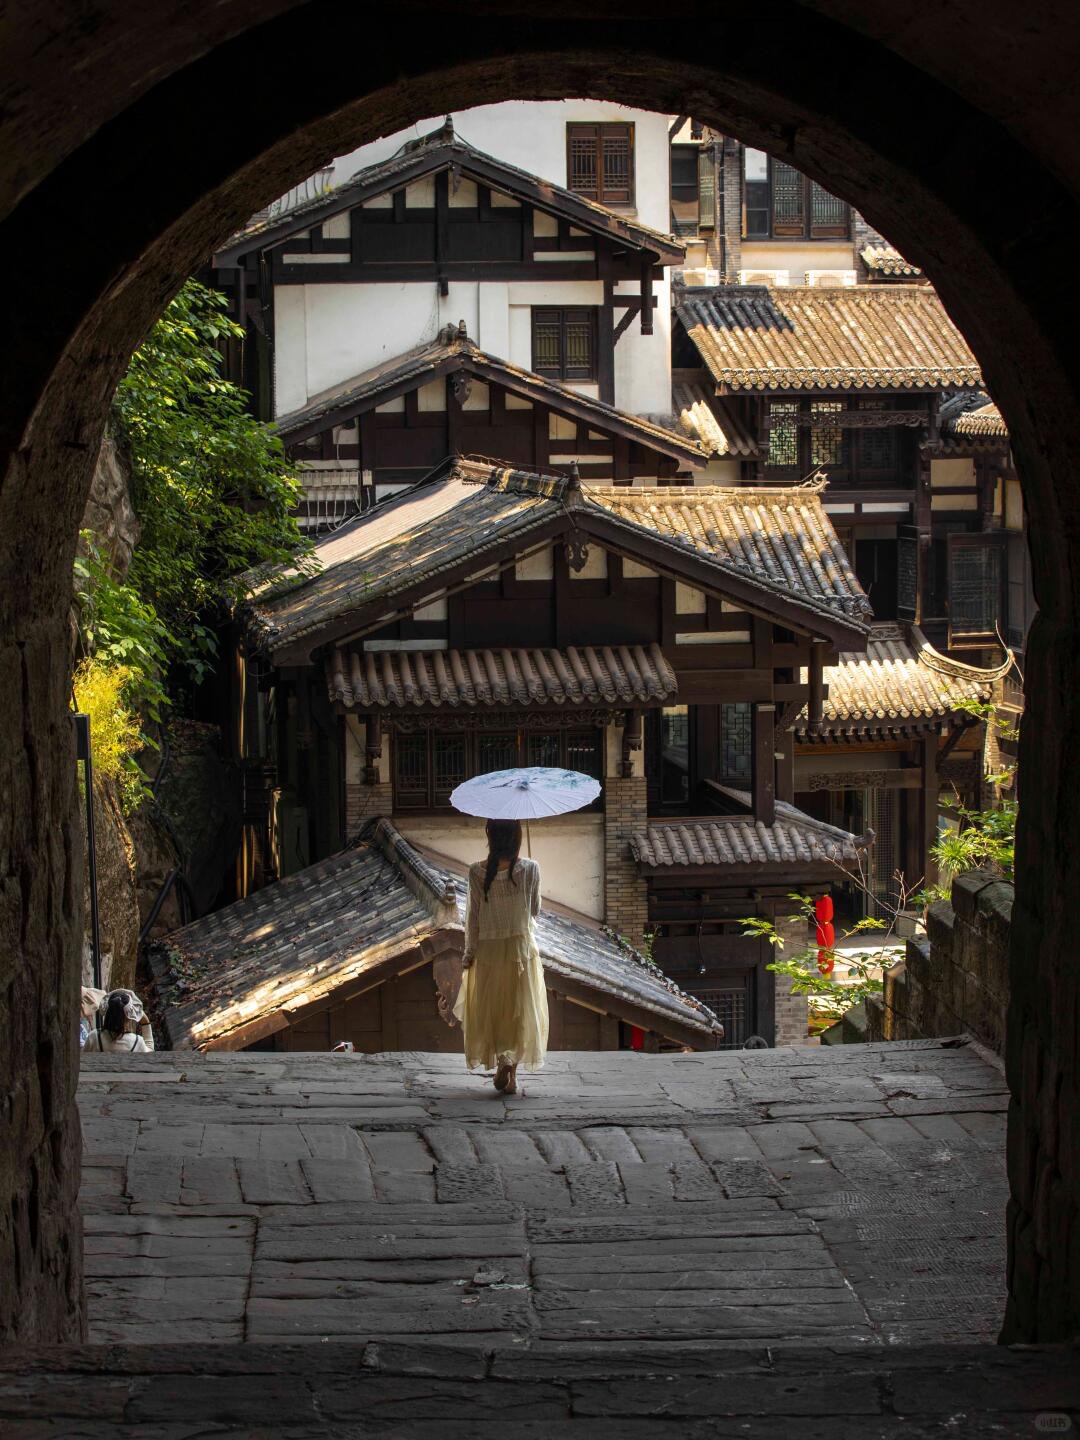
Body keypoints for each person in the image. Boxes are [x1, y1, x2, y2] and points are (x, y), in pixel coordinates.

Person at [453, 819, 548, 1094]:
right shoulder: (530, 869)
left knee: (495, 1010)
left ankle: (505, 1067)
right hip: (520, 949)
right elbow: (535, 911)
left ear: (490, 837)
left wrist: (469, 953)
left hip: (489, 950)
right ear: (517, 838)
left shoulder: (476, 872)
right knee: (520, 1011)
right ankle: (511, 1068)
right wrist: (527, 879)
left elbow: (473, 917)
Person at [83, 989, 155, 1053]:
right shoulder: (137, 1043)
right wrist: (145, 1023)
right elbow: (150, 1051)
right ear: (129, 1016)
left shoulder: (94, 1037)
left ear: (108, 1012)